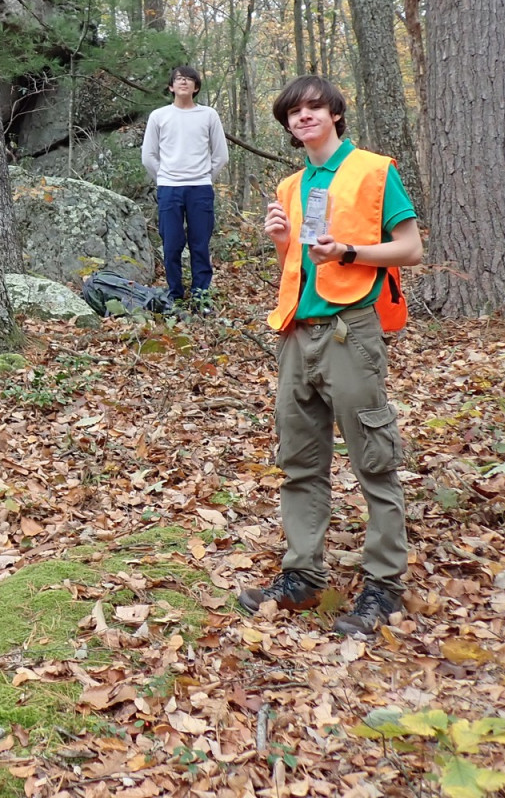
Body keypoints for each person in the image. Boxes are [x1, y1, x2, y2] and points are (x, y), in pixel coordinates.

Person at [240, 75, 423, 638]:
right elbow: (297, 268)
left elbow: (411, 249)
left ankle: (384, 588)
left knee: (373, 459)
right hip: (298, 333)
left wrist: (348, 251)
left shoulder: (374, 171)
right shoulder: (291, 185)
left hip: (351, 331)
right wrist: (281, 240)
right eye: (293, 112)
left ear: (336, 114)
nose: (304, 117)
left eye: (314, 107)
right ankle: (302, 576)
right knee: (299, 460)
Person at [141, 65, 228, 307]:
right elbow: (148, 156)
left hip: (200, 188)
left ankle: (201, 296)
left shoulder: (208, 115)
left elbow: (221, 155)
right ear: (171, 86)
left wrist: (205, 177)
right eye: (179, 79)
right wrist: (164, 178)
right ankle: (175, 295)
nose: (184, 82)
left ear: (196, 87)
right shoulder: (159, 116)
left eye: (189, 79)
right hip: (169, 189)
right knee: (171, 244)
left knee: (200, 244)